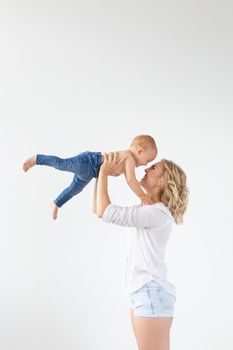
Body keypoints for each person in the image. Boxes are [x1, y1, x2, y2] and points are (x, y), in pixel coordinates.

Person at [94, 153, 189, 350]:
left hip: (150, 291)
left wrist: (104, 172)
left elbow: (105, 211)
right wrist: (99, 174)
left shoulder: (157, 213)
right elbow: (98, 210)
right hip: (143, 290)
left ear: (162, 181)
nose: (145, 169)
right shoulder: (148, 209)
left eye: (153, 168)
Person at [22, 135, 157, 220]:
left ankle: (56, 203)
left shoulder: (129, 159)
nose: (146, 164)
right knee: (62, 164)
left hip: (92, 172)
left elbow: (128, 179)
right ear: (140, 151)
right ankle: (37, 159)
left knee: (74, 190)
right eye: (148, 160)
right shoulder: (129, 157)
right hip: (89, 162)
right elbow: (131, 180)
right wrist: (142, 196)